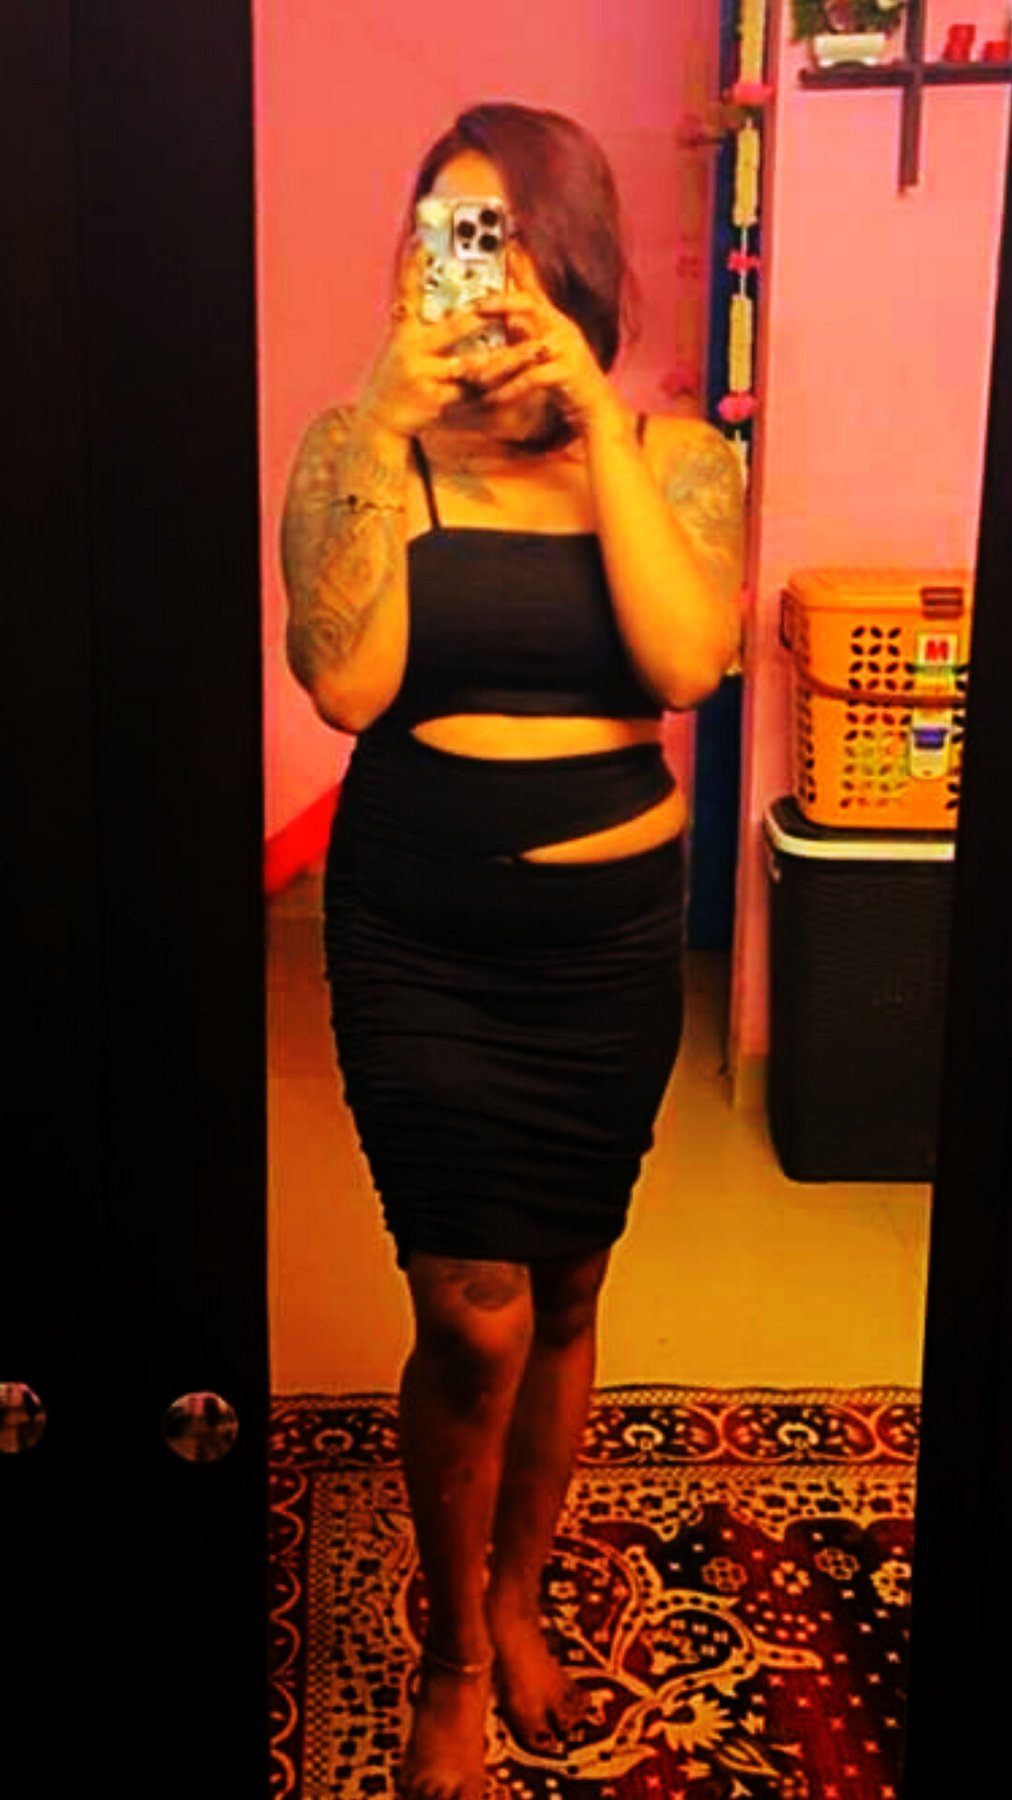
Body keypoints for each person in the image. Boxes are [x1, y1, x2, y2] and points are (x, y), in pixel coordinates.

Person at [280, 101, 744, 1800]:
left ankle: (520, 1596)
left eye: (498, 238)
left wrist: (597, 419)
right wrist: (383, 411)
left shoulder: (677, 460)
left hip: (603, 960)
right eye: (442, 237)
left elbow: (685, 664)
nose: (468, 275)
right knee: (471, 1314)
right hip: (424, 939)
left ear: (573, 258)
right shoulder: (363, 450)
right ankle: (452, 1654)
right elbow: (345, 686)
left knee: (566, 1290)